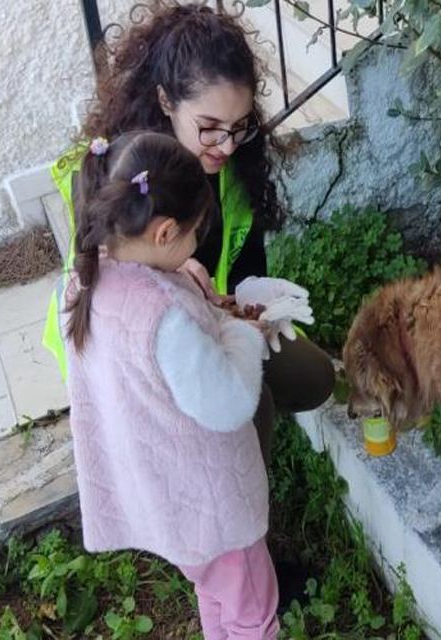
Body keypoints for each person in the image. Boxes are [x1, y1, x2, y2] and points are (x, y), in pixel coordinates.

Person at [42, 1, 334, 466]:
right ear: (165, 102)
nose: (227, 145)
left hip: (206, 319)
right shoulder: (122, 173)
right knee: (243, 408)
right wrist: (171, 277)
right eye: (210, 128)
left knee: (311, 378)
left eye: (240, 126)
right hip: (134, 349)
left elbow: (244, 268)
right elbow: (103, 293)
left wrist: (247, 307)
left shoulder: (238, 164)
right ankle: (228, 499)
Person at [63, 130, 310, 640]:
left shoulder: (90, 278)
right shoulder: (165, 317)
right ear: (164, 232)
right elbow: (228, 403)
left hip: (166, 503)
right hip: (212, 508)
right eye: (196, 231)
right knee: (251, 613)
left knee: (213, 592)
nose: (199, 242)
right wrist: (243, 333)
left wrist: (196, 293)